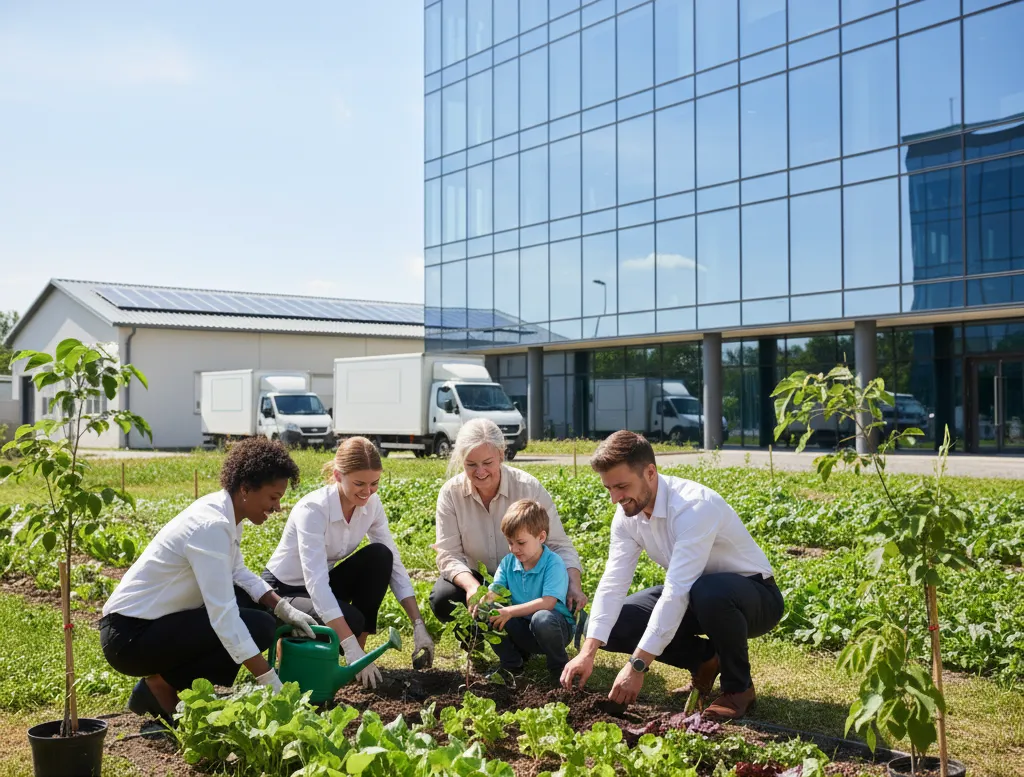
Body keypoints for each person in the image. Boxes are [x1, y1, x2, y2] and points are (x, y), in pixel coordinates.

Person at [560, 431, 783, 720]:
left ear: (650, 472)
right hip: (696, 594)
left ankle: (738, 689)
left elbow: (677, 590)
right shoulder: (628, 514)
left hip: (754, 598)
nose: (615, 498)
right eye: (609, 488)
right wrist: (588, 652)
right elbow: (613, 582)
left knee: (708, 591)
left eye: (621, 486)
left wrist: (637, 665)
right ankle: (705, 660)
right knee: (612, 625)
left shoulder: (694, 507)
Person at [99, 437, 317, 725]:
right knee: (256, 626)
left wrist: (282, 607)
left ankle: (164, 685)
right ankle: (161, 688)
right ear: (245, 489)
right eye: (273, 497)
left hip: (152, 624)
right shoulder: (211, 526)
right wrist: (271, 682)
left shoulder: (225, 513)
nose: (277, 507)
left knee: (259, 613)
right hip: (129, 637)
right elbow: (224, 618)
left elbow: (236, 571)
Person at [262, 437, 434, 689]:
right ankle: (324, 649)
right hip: (283, 592)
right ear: (337, 475)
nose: (367, 491)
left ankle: (358, 662)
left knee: (380, 556)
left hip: (321, 585)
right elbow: (316, 583)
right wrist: (348, 644)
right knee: (351, 621)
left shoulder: (371, 505)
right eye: (359, 483)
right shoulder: (313, 510)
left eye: (374, 483)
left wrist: (418, 624)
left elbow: (394, 563)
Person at [430, 418, 586, 624]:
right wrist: (472, 587)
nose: (480, 472)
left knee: (534, 617)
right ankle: (475, 638)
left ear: (501, 455)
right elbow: (448, 553)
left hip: (524, 579)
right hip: (477, 577)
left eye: (487, 463)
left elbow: (558, 544)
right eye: (471, 465)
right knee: (443, 598)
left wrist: (574, 584)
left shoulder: (528, 487)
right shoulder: (451, 493)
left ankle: (521, 634)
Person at [481, 499, 576, 684]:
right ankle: (512, 663)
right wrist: (482, 603)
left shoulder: (553, 563)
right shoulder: (509, 562)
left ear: (541, 537)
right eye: (509, 542)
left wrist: (509, 611)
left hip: (554, 628)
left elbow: (548, 603)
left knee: (541, 618)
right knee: (487, 611)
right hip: (523, 626)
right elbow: (496, 591)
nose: (514, 549)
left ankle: (559, 668)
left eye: (521, 542)